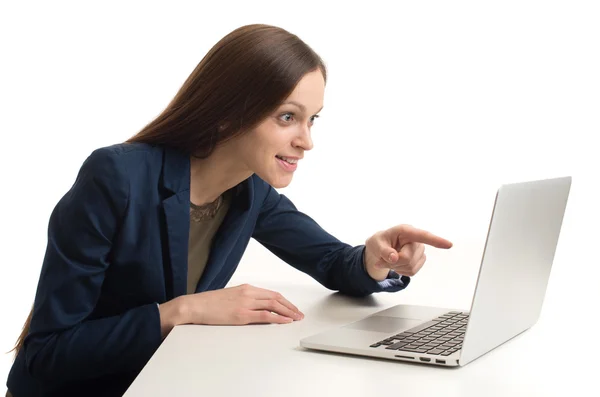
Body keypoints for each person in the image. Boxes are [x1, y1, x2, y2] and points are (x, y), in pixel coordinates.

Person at [5, 24, 452, 397]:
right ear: (227, 114)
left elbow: (333, 262)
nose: (306, 141)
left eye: (312, 119)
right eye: (287, 117)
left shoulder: (249, 191)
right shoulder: (116, 177)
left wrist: (374, 262)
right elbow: (48, 353)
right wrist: (182, 311)